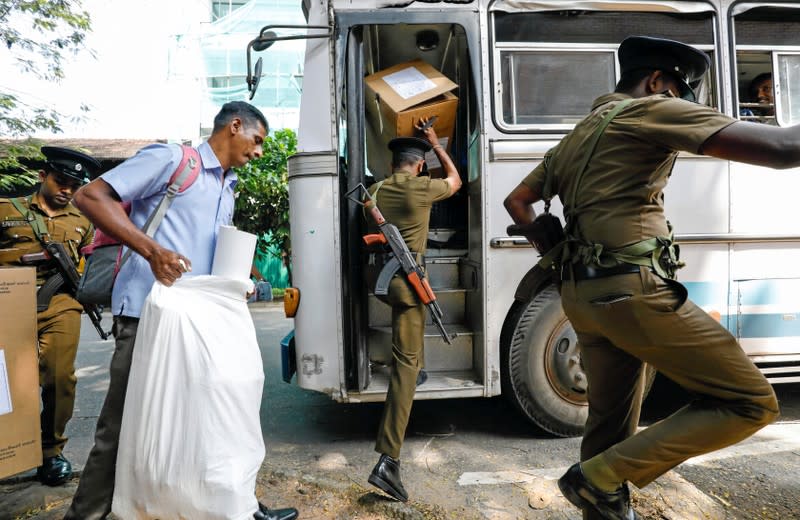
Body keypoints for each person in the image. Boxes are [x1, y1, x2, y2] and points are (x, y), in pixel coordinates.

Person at [504, 35, 785, 520]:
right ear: (656, 81)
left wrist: (541, 235)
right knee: (750, 402)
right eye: (677, 89)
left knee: (608, 426)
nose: (677, 101)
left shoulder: (580, 131)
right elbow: (783, 149)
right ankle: (596, 478)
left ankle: (601, 488)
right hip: (631, 293)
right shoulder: (652, 109)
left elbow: (517, 201)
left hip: (582, 297)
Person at [63, 101, 298, 520]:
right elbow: (90, 196)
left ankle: (237, 504)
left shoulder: (229, 186)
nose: (259, 151)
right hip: (148, 312)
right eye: (257, 141)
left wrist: (237, 278)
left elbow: (205, 249)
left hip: (201, 319)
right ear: (235, 126)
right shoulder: (174, 160)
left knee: (218, 412)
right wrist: (152, 251)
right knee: (120, 426)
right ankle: (85, 516)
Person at [366, 117, 461, 502]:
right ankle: (388, 460)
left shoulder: (375, 190)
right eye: (424, 161)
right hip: (409, 285)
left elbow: (371, 226)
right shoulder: (423, 188)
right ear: (419, 165)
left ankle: (414, 369)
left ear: (393, 165)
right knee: (404, 368)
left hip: (388, 283)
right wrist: (438, 144)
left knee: (411, 353)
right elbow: (455, 181)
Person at [0, 146, 100, 486]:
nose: (67, 190)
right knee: (10, 384)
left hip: (60, 304)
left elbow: (86, 267)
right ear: (43, 176)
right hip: (8, 302)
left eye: (74, 185)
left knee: (59, 378)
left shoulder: (83, 221)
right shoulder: (5, 210)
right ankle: (9, 450)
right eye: (61, 181)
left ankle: (50, 452)